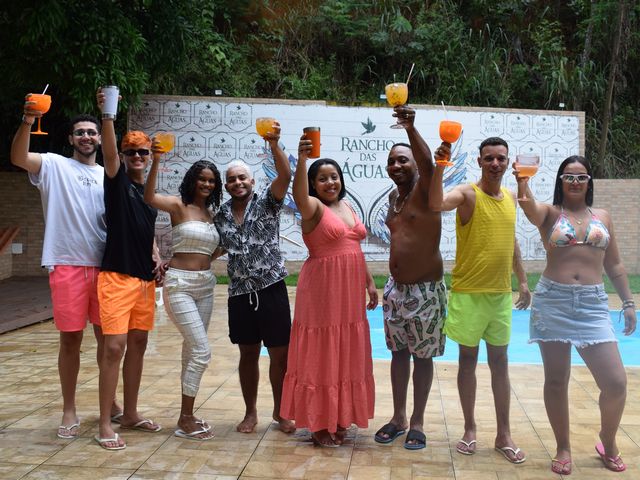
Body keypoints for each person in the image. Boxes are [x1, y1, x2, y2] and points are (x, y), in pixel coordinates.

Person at [514, 156, 636, 474]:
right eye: (569, 177)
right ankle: (563, 447)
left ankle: (608, 440)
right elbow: (528, 207)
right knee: (557, 380)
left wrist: (628, 302)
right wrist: (522, 181)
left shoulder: (603, 217)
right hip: (553, 301)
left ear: (589, 181)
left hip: (593, 305)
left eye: (581, 177)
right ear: (560, 181)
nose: (575, 182)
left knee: (615, 383)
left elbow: (614, 264)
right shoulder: (550, 213)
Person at [10, 98, 122, 439]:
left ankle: (110, 403)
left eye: (91, 132)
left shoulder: (108, 175)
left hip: (104, 267)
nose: (87, 136)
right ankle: (69, 408)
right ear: (71, 139)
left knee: (107, 341)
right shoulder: (53, 165)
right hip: (66, 263)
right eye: (80, 133)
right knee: (71, 339)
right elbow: (18, 157)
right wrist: (28, 120)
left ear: (100, 138)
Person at [429, 137, 531, 463]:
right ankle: (470, 428)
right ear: (479, 162)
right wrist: (440, 166)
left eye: (501, 158)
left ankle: (504, 434)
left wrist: (523, 281)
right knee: (468, 362)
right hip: (469, 295)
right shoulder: (467, 194)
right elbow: (436, 203)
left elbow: (512, 241)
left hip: (500, 295)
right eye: (489, 158)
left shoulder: (511, 198)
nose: (495, 164)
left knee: (501, 364)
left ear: (508, 162)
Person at [280, 137, 378, 447]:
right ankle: (318, 423)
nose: (330, 182)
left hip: (349, 292)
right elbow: (298, 195)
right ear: (313, 184)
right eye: (322, 179)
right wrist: (302, 159)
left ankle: (338, 416)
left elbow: (353, 247)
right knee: (321, 353)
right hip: (323, 290)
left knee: (345, 351)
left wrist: (369, 282)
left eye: (334, 176)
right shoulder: (313, 207)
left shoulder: (346, 205)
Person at [373, 105, 446, 450]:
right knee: (398, 354)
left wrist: (410, 129)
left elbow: (429, 163)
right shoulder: (394, 197)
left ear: (415, 165)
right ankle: (398, 417)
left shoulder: (426, 190)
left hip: (425, 291)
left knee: (422, 356)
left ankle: (417, 421)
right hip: (396, 291)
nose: (396, 165)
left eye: (403, 160)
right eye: (391, 161)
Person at [214, 122, 295, 434]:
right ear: (226, 185)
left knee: (279, 355)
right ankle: (250, 412)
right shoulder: (221, 215)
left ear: (251, 181)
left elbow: (285, 175)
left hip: (271, 288)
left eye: (242, 178)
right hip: (239, 294)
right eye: (231, 179)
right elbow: (218, 247)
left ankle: (281, 412)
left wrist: (274, 144)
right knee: (247, 354)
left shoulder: (267, 202)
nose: (237, 183)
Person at [94, 90, 163, 450]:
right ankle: (105, 422)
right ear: (123, 156)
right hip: (117, 276)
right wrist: (108, 115)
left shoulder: (148, 194)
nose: (137, 156)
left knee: (138, 344)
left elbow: (144, 229)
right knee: (114, 347)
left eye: (143, 152)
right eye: (131, 151)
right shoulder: (117, 182)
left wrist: (155, 255)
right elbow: (108, 153)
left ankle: (131, 413)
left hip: (144, 281)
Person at [144, 156, 223, 441]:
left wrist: (211, 257)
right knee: (202, 351)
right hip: (180, 285)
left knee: (191, 352)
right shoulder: (178, 206)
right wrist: (156, 160)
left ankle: (185, 415)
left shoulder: (212, 215)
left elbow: (216, 249)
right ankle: (186, 417)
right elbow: (149, 197)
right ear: (192, 180)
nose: (206, 184)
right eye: (202, 179)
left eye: (211, 181)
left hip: (205, 286)